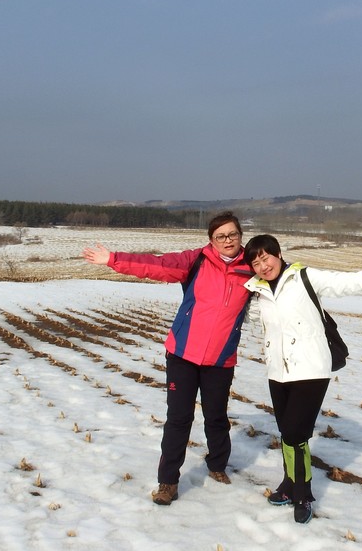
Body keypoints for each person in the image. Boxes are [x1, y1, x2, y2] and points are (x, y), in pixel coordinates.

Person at [82, 212, 253, 506]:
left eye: (233, 235)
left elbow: (283, 276)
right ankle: (168, 481)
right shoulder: (196, 261)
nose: (228, 241)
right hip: (183, 354)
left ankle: (217, 465)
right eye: (221, 236)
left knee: (216, 417)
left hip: (221, 359)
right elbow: (156, 266)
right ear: (211, 240)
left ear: (241, 235)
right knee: (178, 418)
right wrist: (113, 259)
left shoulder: (251, 268)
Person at [242, 234, 362, 524]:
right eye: (256, 263)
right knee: (287, 432)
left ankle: (302, 494)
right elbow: (246, 317)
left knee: (295, 433)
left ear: (278, 254)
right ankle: (289, 484)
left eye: (266, 258)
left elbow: (344, 282)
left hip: (311, 369)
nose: (263, 266)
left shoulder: (304, 277)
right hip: (278, 370)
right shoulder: (257, 292)